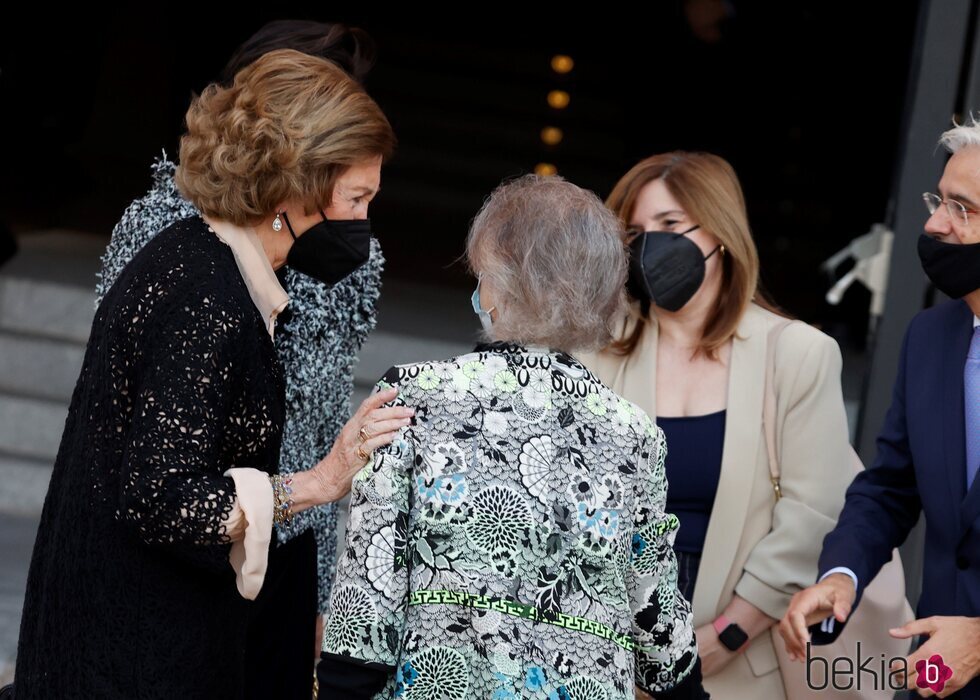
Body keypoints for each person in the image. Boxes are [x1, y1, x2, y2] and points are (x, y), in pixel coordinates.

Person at [13, 49, 408, 699]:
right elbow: (163, 498)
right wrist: (319, 482)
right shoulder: (207, 297)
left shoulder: (206, 266)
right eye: (357, 199)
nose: (364, 225)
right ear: (297, 187)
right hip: (131, 661)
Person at [317, 174, 708, 699]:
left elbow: (373, 576)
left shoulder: (415, 396)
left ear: (498, 282)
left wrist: (344, 686)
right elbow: (654, 604)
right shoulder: (635, 434)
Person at [95, 23, 382, 648]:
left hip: (285, 542)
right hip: (185, 545)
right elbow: (131, 430)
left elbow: (322, 411)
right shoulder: (177, 246)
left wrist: (323, 589)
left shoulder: (352, 247)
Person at [579, 151, 855, 699]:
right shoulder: (596, 350)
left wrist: (721, 637)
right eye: (634, 232)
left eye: (670, 226)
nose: (650, 246)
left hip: (738, 666)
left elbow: (811, 517)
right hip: (604, 664)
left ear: (720, 232)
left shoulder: (797, 353)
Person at [780, 119, 980, 698]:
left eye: (961, 209)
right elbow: (889, 488)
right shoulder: (929, 338)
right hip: (935, 680)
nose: (934, 224)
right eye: (938, 201)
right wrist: (842, 574)